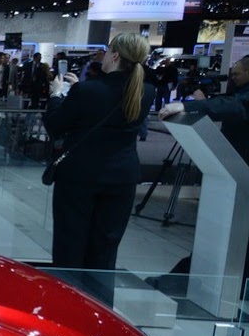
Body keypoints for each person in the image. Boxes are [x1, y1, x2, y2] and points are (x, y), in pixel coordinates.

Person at [42, 31, 155, 291]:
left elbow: (56, 125)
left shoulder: (87, 90)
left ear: (114, 56)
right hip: (122, 178)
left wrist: (57, 96)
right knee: (105, 251)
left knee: (70, 247)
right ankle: (100, 309)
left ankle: (68, 306)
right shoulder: (146, 91)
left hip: (79, 177)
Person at [159, 54, 249, 158]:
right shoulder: (240, 89)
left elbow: (235, 105)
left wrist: (186, 106)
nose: (233, 78)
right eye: (232, 75)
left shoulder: (243, 97)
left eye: (236, 74)